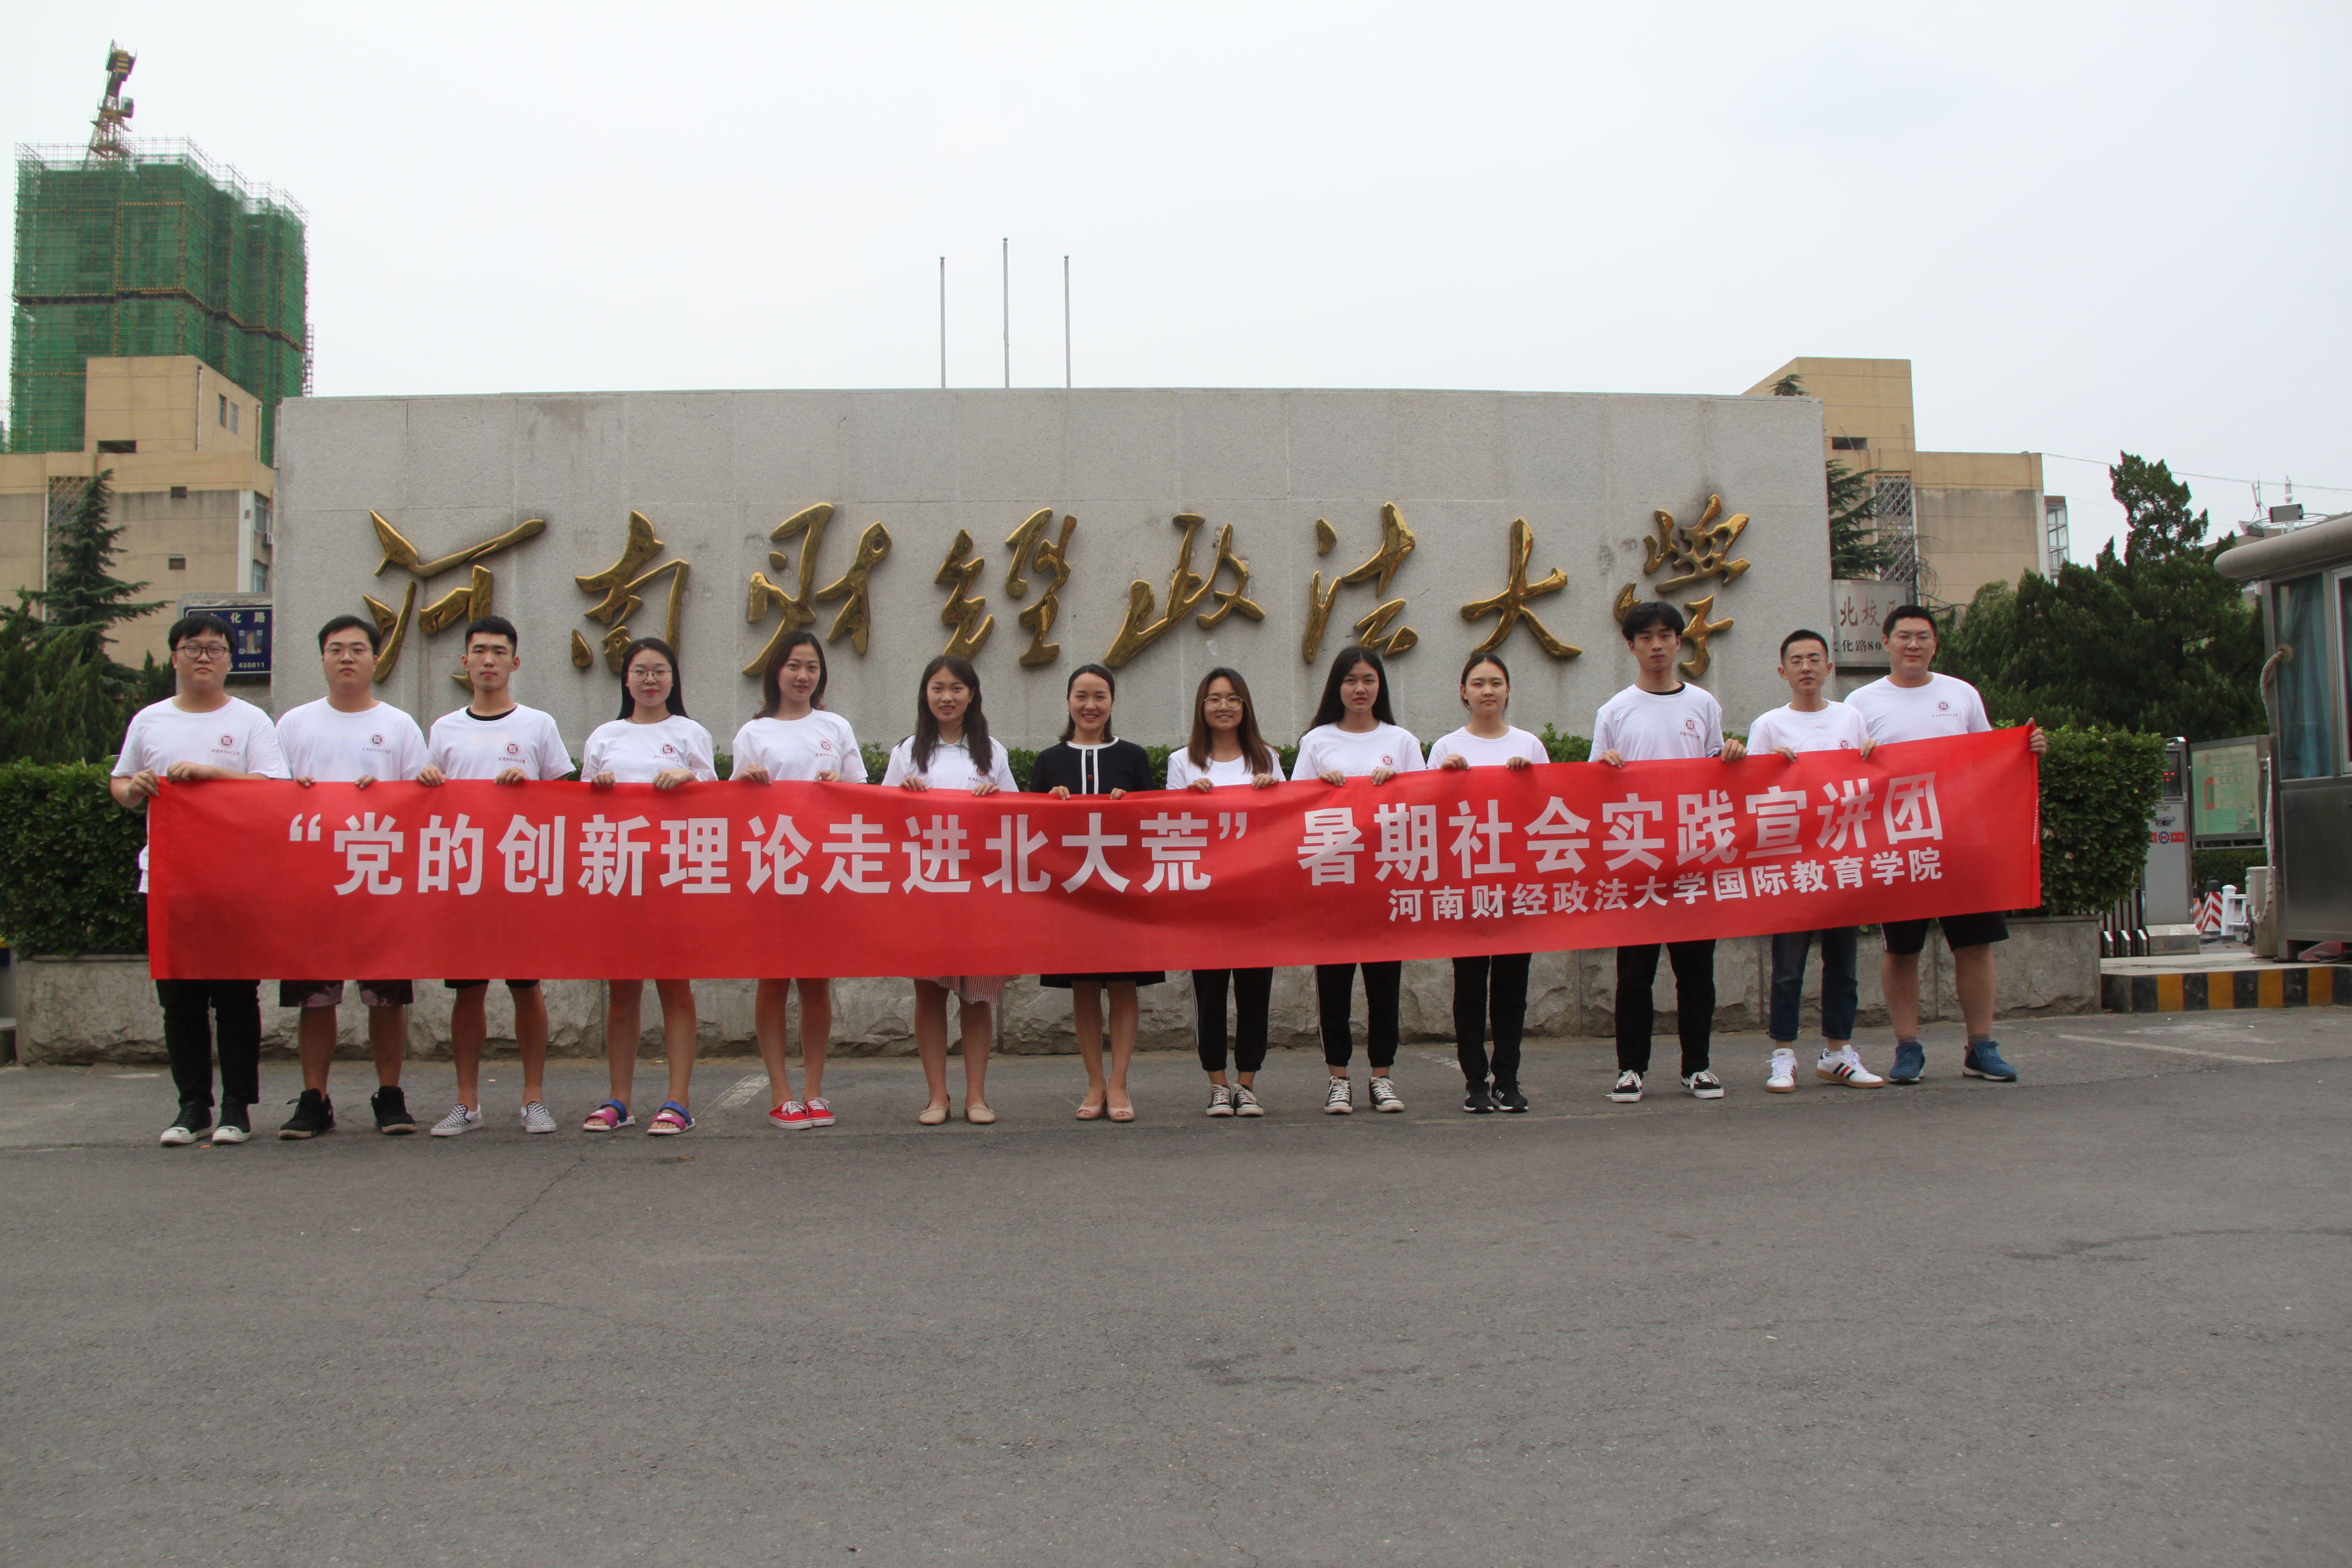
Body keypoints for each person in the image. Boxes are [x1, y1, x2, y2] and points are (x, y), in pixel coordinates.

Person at [1844, 604, 2047, 1085]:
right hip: (1898, 844)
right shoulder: (1860, 703)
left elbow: (1989, 757)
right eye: (1904, 636)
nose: (1913, 645)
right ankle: (1907, 1048)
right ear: (1886, 643)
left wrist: (2025, 750)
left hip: (1962, 840)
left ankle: (1981, 1046)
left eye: (1923, 636)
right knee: (1902, 950)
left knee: (1975, 945)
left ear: (1935, 644)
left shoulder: (1961, 694)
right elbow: (1842, 770)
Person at [109, 612, 289, 1146]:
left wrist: (214, 774)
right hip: (168, 880)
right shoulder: (150, 721)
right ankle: (192, 1107)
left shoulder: (251, 720)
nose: (204, 657)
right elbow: (121, 784)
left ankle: (237, 1107)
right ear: (176, 657)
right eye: (193, 647)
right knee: (180, 999)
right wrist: (135, 788)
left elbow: (272, 788)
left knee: (236, 997)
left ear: (231, 660)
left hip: (235, 880)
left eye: (215, 648)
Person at [273, 614, 431, 1138]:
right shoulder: (294, 724)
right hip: (312, 881)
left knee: (386, 997)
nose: (347, 657)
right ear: (322, 658)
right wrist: (295, 791)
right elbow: (267, 796)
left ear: (375, 659)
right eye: (336, 648)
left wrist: (389, 795)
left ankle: (390, 1095)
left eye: (358, 649)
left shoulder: (399, 725)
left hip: (380, 880)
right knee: (316, 996)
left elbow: (422, 801)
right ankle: (314, 1098)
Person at [419, 616, 573, 1135]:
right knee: (468, 991)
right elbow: (424, 801)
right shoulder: (444, 729)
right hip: (463, 878)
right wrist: (427, 781)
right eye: (480, 651)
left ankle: (534, 1098)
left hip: (520, 878)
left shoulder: (538, 725)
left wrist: (530, 787)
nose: (489, 660)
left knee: (526, 987)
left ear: (515, 662)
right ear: (465, 662)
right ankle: (467, 1101)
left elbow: (565, 801)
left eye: (499, 652)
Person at [1595, 602, 1747, 1104]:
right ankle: (1630, 1069)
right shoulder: (1614, 711)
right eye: (1646, 637)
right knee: (1634, 974)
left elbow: (1716, 771)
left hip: (1692, 859)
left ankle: (1697, 1067)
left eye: (1665, 635)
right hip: (1637, 860)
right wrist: (1606, 767)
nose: (1656, 645)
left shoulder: (1703, 705)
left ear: (1681, 642)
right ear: (1631, 646)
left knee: (1696, 972)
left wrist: (1732, 754)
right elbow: (1593, 788)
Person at [580, 637, 718, 1134]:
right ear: (626, 679)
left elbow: (716, 800)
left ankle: (678, 1100)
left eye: (660, 671)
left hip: (674, 875)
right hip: (619, 877)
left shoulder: (689, 733)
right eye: (640, 671)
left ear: (673, 679)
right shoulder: (605, 737)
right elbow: (579, 811)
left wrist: (688, 778)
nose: (650, 680)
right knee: (623, 991)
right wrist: (596, 791)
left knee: (674, 987)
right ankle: (619, 1099)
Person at [732, 630, 865, 1130]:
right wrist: (745, 783)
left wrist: (840, 786)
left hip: (823, 871)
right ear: (776, 671)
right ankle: (780, 1092)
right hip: (770, 869)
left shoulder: (836, 726)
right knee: (772, 981)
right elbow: (730, 808)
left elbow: (863, 797)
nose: (803, 675)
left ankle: (813, 1089)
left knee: (815, 982)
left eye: (811, 666)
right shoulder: (753, 733)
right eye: (793, 665)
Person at [1746, 629, 1885, 1094]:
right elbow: (1749, 794)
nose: (1806, 667)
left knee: (1842, 964)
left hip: (1843, 860)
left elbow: (1870, 780)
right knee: (1788, 967)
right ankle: (1784, 1055)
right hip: (1792, 863)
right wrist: (1770, 766)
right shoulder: (1769, 725)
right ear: (1782, 671)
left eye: (1814, 659)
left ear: (1830, 667)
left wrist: (1873, 757)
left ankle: (1838, 1052)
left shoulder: (1851, 718)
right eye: (1796, 660)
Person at [882, 655, 1019, 1126]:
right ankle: (936, 1096)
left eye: (957, 688)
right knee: (929, 994)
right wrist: (904, 796)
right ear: (925, 694)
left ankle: (976, 1096)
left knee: (977, 996)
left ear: (972, 694)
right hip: (925, 889)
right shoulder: (907, 751)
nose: (947, 697)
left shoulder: (992, 752)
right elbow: (880, 818)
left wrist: (995, 800)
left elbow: (1017, 817)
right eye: (938, 688)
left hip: (979, 891)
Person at [1291, 644, 1424, 1115]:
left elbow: (1425, 807)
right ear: (1337, 687)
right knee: (1334, 985)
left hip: (1386, 881)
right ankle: (1338, 1079)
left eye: (1368, 679)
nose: (1360, 689)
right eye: (1350, 680)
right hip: (1333, 882)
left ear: (1380, 686)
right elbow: (1292, 811)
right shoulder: (1317, 741)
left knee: (1384, 984)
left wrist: (1397, 788)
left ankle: (1382, 1077)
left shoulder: (1402, 741)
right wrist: (1320, 791)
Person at [1028, 664, 1163, 1123]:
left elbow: (1154, 827)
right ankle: (1094, 1082)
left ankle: (1120, 1082)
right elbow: (1030, 831)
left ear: (1112, 702)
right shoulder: (1049, 760)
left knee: (1124, 985)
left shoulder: (1133, 756)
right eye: (1081, 696)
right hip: (1071, 894)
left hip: (1123, 891)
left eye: (1099, 696)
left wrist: (1131, 807)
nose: (1090, 705)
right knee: (1083, 985)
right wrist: (1051, 805)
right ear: (1068, 701)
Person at [1429, 652, 1548, 1114]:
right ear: (1464, 692)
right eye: (1478, 683)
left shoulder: (1529, 745)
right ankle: (1475, 1081)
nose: (1487, 691)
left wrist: (1528, 782)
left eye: (1496, 682)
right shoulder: (1446, 748)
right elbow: (1428, 816)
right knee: (1470, 989)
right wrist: (1446, 780)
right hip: (1467, 884)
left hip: (1517, 884)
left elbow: (1551, 812)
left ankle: (1508, 1079)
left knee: (1512, 991)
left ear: (1508, 690)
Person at [1167, 667, 1280, 1118]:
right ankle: (1217, 1083)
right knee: (1209, 994)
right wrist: (1188, 798)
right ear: (1202, 707)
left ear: (1245, 706)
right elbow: (1169, 826)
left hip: (1256, 897)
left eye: (1233, 698)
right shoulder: (1183, 761)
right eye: (1214, 699)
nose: (1224, 707)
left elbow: (1287, 825)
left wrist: (1274, 792)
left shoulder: (1266, 758)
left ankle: (1247, 1083)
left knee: (1255, 992)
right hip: (1205, 899)